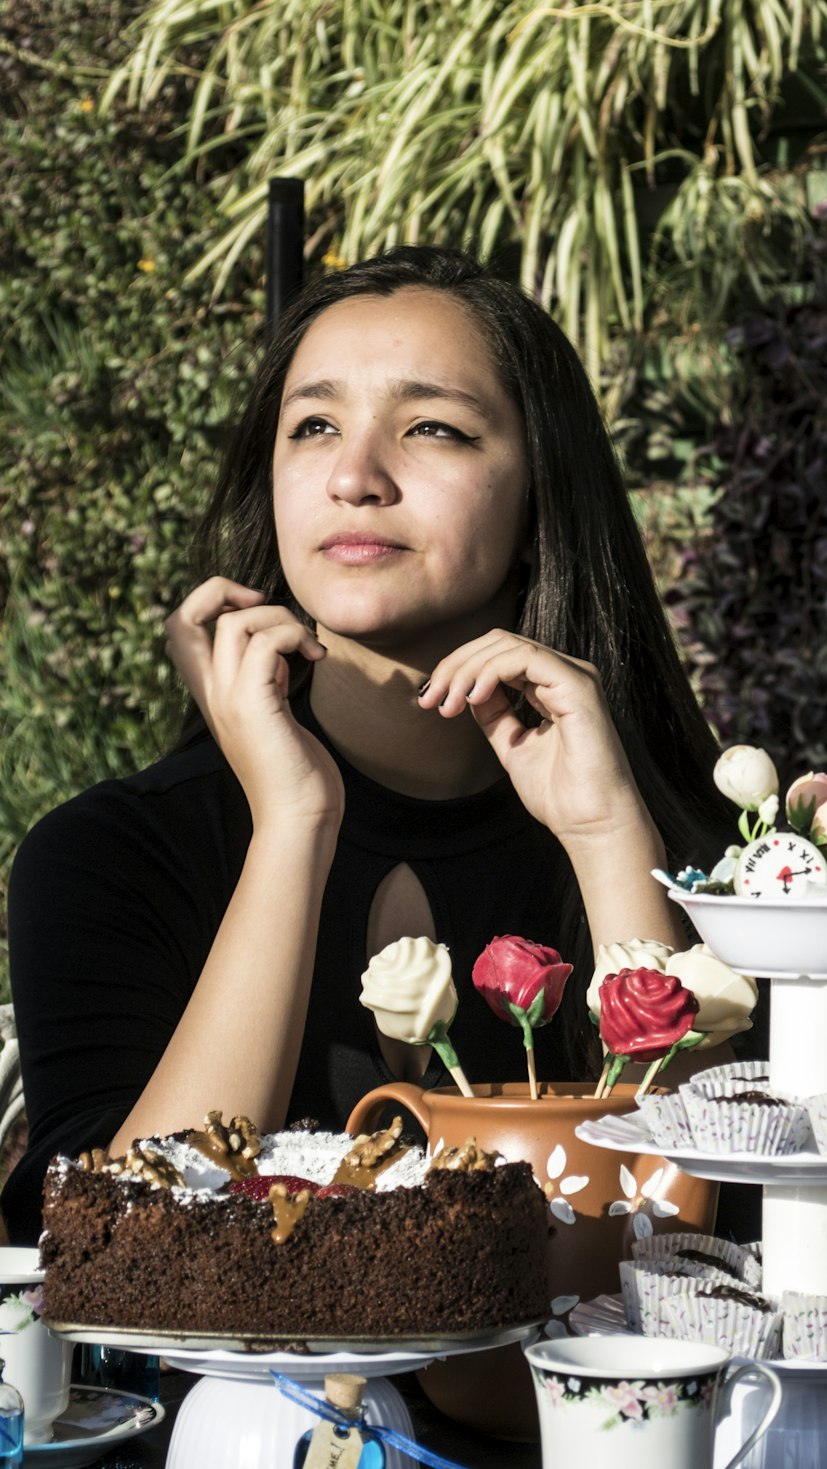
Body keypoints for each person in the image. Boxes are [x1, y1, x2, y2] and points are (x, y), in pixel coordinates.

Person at [1, 245, 738, 1245]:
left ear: (538, 498)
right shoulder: (110, 855)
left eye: (433, 427)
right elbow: (118, 1250)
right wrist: (293, 822)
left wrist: (610, 838)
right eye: (313, 426)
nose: (354, 475)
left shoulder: (703, 859)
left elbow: (702, 1240)